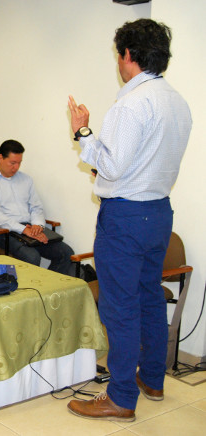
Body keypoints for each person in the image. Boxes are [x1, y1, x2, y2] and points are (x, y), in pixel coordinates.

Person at [66, 19, 192, 421]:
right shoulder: (177, 101)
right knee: (150, 297)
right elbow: (145, 162)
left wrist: (83, 131)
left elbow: (115, 167)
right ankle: (152, 379)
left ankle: (120, 398)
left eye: (119, 54)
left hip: (124, 218)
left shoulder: (131, 103)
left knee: (120, 308)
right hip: (158, 214)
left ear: (128, 56)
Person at [0, 140, 74, 274]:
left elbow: (36, 207)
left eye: (19, 163)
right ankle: (28, 291)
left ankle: (47, 289)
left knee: (66, 253)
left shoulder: (26, 180)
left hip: (28, 228)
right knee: (32, 257)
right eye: (12, 163)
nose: (16, 167)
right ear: (0, 158)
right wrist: (24, 230)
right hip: (2, 232)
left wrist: (38, 226)